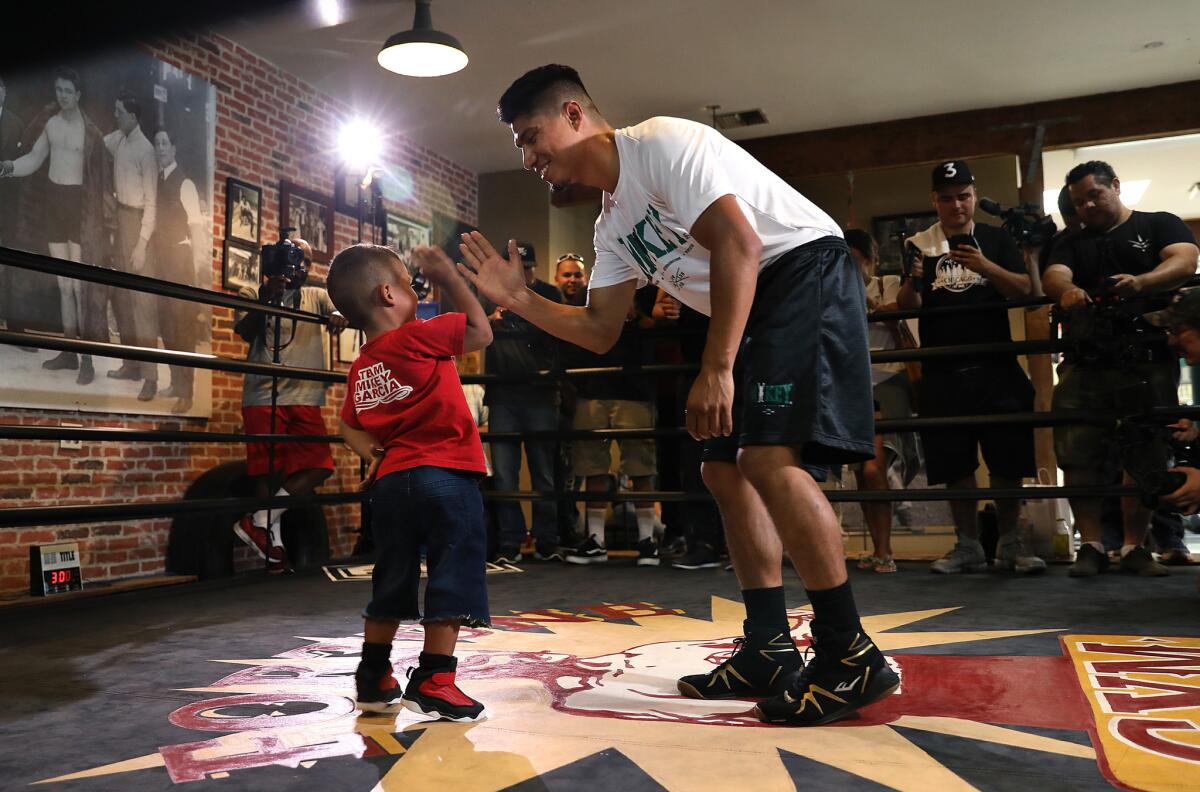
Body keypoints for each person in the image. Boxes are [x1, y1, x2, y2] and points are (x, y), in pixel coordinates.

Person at [458, 64, 898, 726]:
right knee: (723, 469)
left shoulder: (660, 144)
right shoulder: (610, 226)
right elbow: (601, 331)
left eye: (531, 135)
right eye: (519, 145)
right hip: (750, 299)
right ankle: (770, 646)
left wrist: (717, 367)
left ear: (575, 114)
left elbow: (740, 244)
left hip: (799, 270)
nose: (528, 157)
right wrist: (521, 300)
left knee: (768, 459)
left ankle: (849, 653)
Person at [328, 242, 493, 721]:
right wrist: (449, 277)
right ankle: (436, 678)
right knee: (453, 569)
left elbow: (348, 427)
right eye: (408, 282)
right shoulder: (421, 335)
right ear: (388, 293)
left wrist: (375, 458)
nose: (414, 289)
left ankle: (374, 676)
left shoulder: (362, 364)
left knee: (392, 574)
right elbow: (482, 331)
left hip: (393, 485)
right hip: (445, 473)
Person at [1043, 160, 1199, 577]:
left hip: (1148, 354)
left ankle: (1135, 546)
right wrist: (1069, 292)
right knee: (1076, 451)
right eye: (1079, 202)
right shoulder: (1070, 240)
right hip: (1086, 358)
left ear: (1115, 185)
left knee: (1146, 450)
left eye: (1094, 195)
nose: (1088, 206)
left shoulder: (1159, 223)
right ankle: (1091, 544)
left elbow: (1186, 261)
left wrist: (1142, 283)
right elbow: (1053, 276)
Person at [896, 160, 1045, 575]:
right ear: (935, 201)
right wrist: (912, 281)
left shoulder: (997, 240)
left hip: (997, 364)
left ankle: (1011, 544)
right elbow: (908, 308)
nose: (956, 205)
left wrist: (987, 268)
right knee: (954, 463)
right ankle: (967, 545)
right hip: (943, 369)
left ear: (974, 196)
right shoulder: (918, 243)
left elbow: (1028, 293)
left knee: (1008, 461)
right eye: (947, 198)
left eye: (963, 196)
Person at [231, 238, 348, 573]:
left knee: (320, 464)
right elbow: (244, 330)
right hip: (263, 394)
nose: (300, 266)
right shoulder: (252, 293)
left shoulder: (315, 295)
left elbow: (342, 306)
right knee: (269, 471)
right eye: (294, 258)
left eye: (306, 260)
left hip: (305, 394)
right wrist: (268, 296)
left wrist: (339, 313)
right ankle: (274, 552)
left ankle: (260, 519)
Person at [2, 67, 110, 384]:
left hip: (79, 208)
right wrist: (7, 167)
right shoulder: (50, 124)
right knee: (64, 286)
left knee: (78, 287)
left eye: (67, 91)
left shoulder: (90, 135)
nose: (62, 95)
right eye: (58, 90)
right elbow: (34, 159)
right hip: (54, 206)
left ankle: (87, 358)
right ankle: (69, 352)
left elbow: (101, 184)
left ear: (77, 95)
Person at [557, 253, 660, 566]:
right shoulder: (590, 297)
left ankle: (647, 540)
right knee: (593, 467)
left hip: (632, 391)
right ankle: (597, 541)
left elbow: (655, 326)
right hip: (592, 391)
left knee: (640, 465)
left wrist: (635, 312)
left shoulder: (643, 287)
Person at [845, 228, 920, 573]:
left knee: (875, 468)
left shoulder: (887, 283)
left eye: (856, 259)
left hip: (887, 380)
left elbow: (898, 311)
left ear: (871, 258)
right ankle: (878, 550)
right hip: (852, 385)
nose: (851, 266)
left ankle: (886, 550)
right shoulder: (834, 290)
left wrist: (868, 299)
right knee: (861, 472)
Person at [485, 241, 564, 564]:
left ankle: (547, 541)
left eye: (529, 267)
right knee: (505, 474)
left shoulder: (549, 294)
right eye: (521, 266)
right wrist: (490, 318)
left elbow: (559, 330)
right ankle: (510, 541)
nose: (526, 273)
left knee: (544, 472)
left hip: (540, 394)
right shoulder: (492, 293)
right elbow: (474, 325)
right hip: (503, 396)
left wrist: (525, 308)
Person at [652, 287, 728, 570]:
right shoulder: (678, 262)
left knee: (736, 455)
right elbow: (660, 308)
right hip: (695, 364)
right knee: (695, 454)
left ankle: (735, 543)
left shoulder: (736, 252)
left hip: (735, 361)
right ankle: (704, 542)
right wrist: (664, 312)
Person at [102, 90, 159, 401]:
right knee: (123, 299)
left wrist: (141, 245)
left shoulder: (146, 151)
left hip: (138, 226)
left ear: (133, 117)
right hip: (120, 219)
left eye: (119, 112)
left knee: (143, 305)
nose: (115, 115)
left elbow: (151, 205)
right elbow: (102, 141)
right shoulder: (120, 138)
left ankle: (150, 377)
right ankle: (131, 364)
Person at [151, 127, 208, 414]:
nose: (160, 147)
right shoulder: (158, 180)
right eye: (157, 143)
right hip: (162, 261)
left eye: (165, 142)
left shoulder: (185, 184)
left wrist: (196, 270)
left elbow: (197, 229)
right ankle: (175, 382)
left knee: (183, 329)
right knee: (167, 326)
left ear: (173, 148)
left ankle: (187, 393)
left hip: (181, 262)